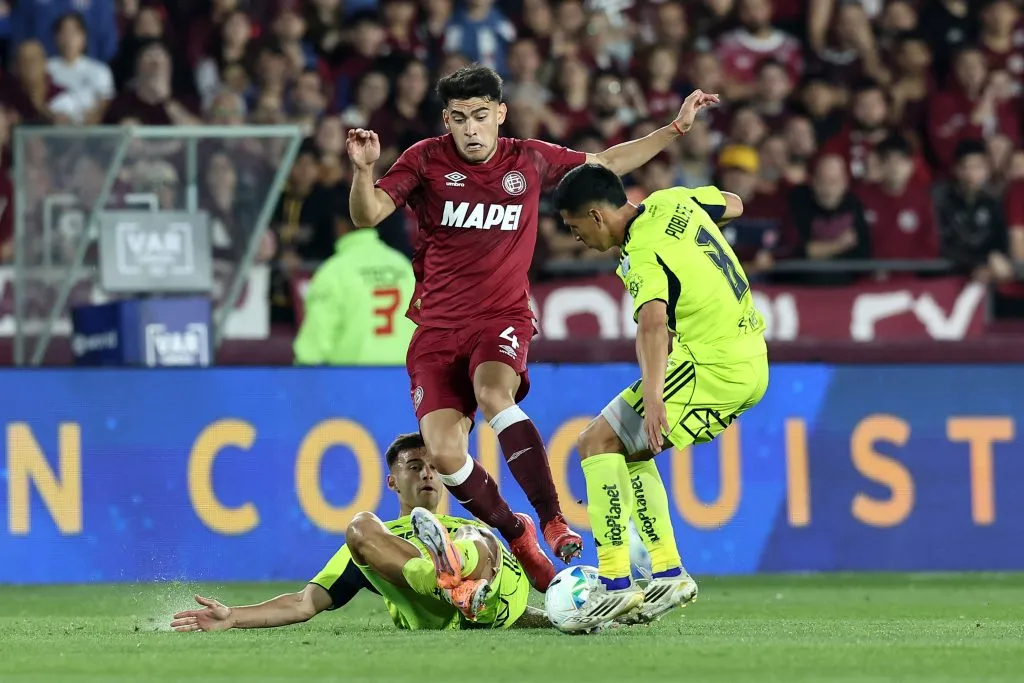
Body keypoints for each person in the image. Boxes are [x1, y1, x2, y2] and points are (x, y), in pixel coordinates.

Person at [346, 63, 718, 591]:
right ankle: (516, 531)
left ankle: (551, 519)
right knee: (447, 453)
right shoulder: (424, 160)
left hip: (501, 317)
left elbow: (606, 164)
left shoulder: (529, 159)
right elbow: (369, 214)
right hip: (435, 329)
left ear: (499, 114)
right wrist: (363, 171)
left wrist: (675, 129)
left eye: (479, 116)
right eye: (459, 118)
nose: (470, 129)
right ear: (446, 121)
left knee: (494, 394)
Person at [551, 164, 768, 631]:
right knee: (629, 452)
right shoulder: (675, 201)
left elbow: (652, 322)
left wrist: (653, 398)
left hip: (708, 364)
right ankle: (668, 573)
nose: (576, 239)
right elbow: (734, 203)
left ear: (596, 215)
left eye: (575, 228)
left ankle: (613, 583)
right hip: (751, 361)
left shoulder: (640, 250)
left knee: (595, 443)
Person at [170, 433, 544, 633]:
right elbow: (304, 603)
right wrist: (233, 616)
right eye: (414, 467)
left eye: (433, 467)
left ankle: (452, 569)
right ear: (392, 482)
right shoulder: (378, 541)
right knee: (359, 525)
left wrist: (560, 614)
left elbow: (513, 605)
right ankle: (445, 580)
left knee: (478, 534)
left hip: (491, 596)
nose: (427, 474)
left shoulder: (472, 522)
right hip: (445, 609)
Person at [293, 192, 416, 365]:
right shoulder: (403, 267)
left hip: (351, 383)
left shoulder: (333, 272)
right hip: (403, 381)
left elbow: (312, 348)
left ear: (339, 225)